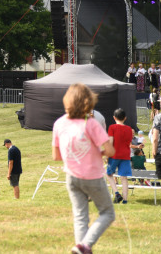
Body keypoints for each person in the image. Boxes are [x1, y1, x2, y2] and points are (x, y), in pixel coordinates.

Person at [52, 83, 115, 254]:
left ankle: (80, 249)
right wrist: (100, 151)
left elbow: (56, 156)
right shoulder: (92, 123)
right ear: (88, 102)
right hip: (92, 176)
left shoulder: (59, 123)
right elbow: (109, 150)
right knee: (107, 213)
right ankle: (84, 245)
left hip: (71, 176)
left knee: (80, 216)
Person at [105, 108, 134, 204]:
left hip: (114, 155)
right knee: (124, 177)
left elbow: (111, 141)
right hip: (125, 155)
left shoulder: (112, 127)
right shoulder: (129, 129)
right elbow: (129, 142)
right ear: (125, 118)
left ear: (114, 117)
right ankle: (125, 200)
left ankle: (117, 193)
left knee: (109, 174)